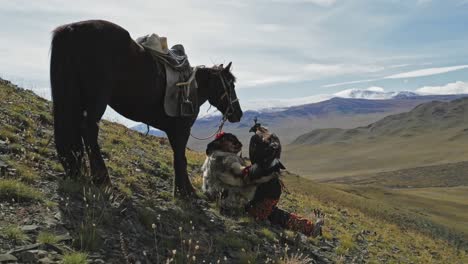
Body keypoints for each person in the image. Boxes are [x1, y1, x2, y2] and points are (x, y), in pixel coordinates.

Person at [202, 132, 324, 237]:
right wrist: (264, 169)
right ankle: (309, 229)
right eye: (230, 142)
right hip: (232, 203)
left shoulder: (214, 157)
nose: (233, 144)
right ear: (220, 143)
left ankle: (310, 228)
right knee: (271, 204)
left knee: (273, 212)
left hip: (224, 197)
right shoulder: (225, 159)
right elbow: (241, 173)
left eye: (234, 142)